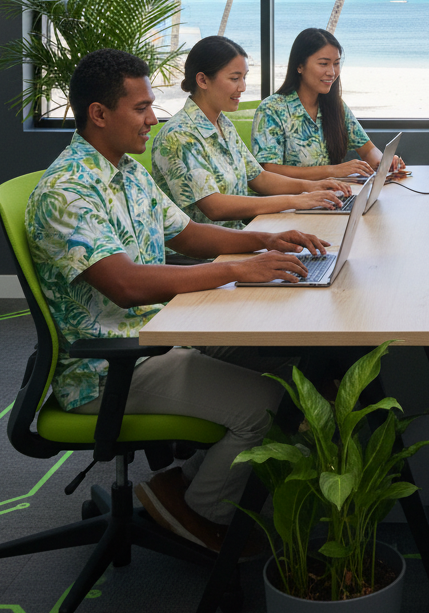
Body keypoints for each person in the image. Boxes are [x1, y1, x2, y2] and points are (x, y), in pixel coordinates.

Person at [27, 49, 329, 551]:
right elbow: (124, 285)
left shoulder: (128, 172)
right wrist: (235, 270)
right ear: (99, 114)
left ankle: (179, 483)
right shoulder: (67, 191)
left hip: (161, 335)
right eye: (141, 108)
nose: (153, 118)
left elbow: (188, 234)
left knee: (286, 367)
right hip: (111, 366)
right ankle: (200, 511)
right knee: (265, 408)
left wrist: (264, 241)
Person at [152, 36, 350, 225]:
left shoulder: (223, 124)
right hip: (209, 256)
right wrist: (294, 201)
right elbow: (215, 208)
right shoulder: (179, 135)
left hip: (240, 238)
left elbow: (259, 178)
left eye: (244, 78)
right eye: (234, 78)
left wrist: (311, 187)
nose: (243, 87)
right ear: (203, 80)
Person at [253, 28, 405, 181]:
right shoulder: (272, 109)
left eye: (336, 63)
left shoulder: (335, 105)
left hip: (330, 198)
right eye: (324, 64)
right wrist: (332, 171)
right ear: (299, 66)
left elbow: (367, 150)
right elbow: (268, 170)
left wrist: (385, 162)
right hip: (289, 200)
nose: (332, 72)